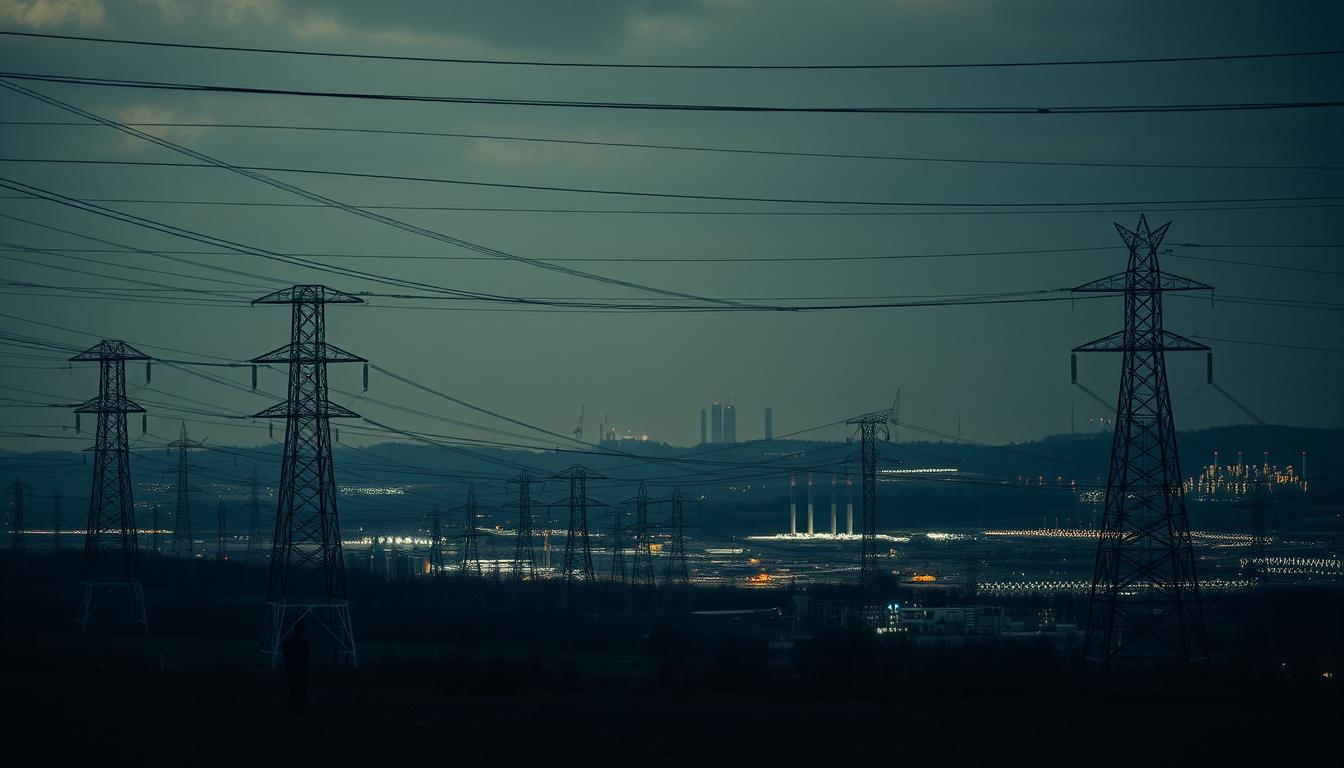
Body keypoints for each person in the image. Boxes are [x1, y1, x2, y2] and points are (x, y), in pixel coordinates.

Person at [282, 622, 311, 715]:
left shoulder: (289, 642)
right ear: (302, 631)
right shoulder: (304, 643)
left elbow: (285, 655)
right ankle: (300, 711)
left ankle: (291, 710)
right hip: (301, 670)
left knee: (292, 691)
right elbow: (308, 656)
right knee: (301, 692)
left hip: (291, 670)